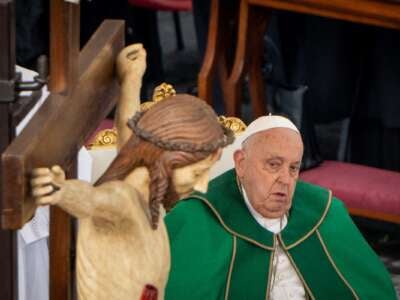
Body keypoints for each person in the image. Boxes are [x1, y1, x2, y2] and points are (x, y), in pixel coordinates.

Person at [30, 44, 234, 300]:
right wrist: (60, 191)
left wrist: (131, 80)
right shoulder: (122, 200)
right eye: (196, 174)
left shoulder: (151, 196)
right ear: (167, 162)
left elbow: (130, 136)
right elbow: (91, 200)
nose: (203, 186)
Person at [164, 115, 397, 299]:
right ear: (241, 164)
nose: (285, 179)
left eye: (293, 168)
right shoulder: (197, 217)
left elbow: (372, 290)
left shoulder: (325, 212)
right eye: (273, 165)